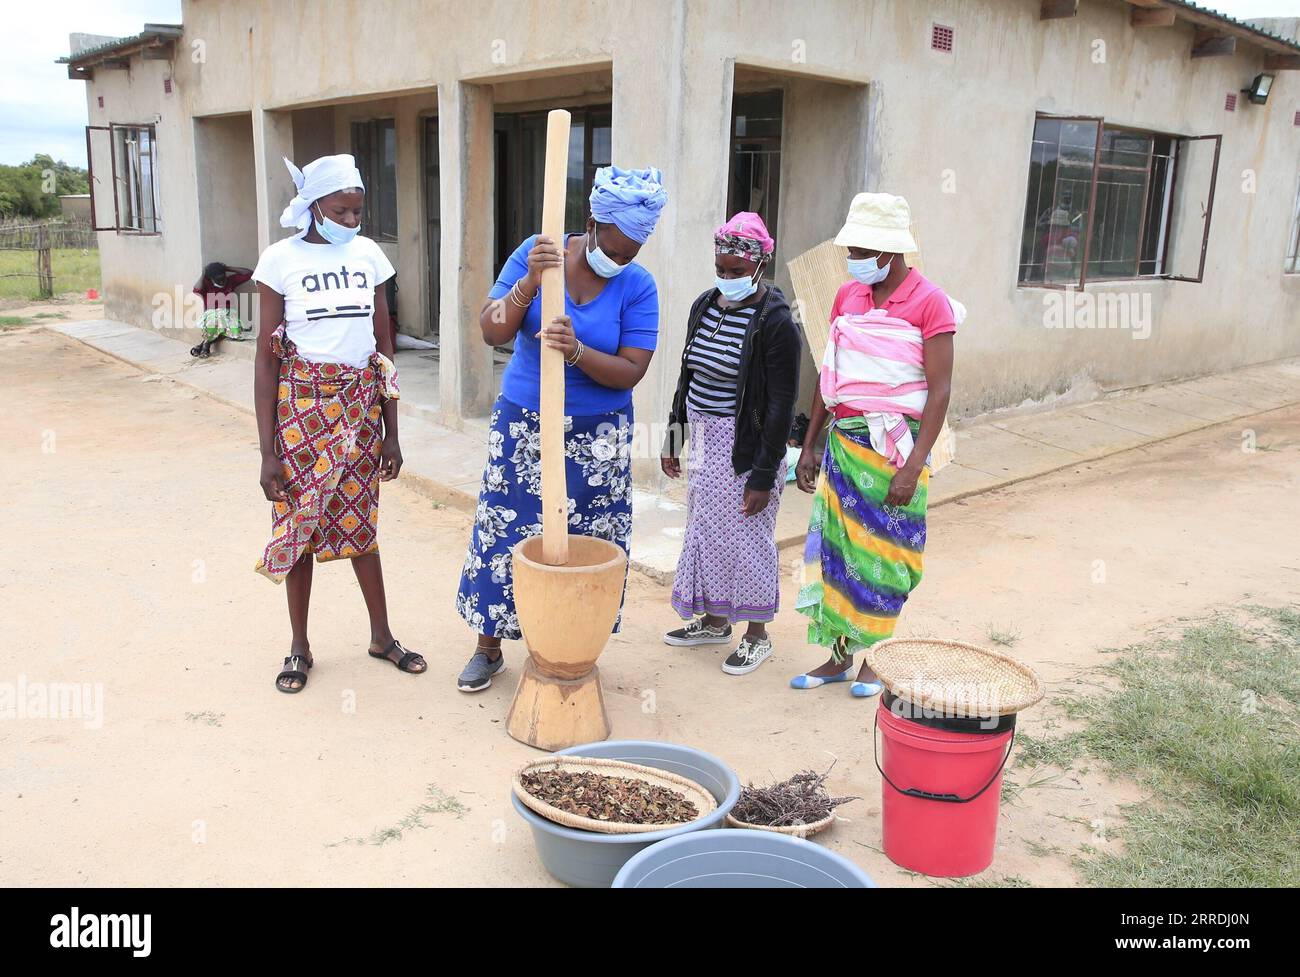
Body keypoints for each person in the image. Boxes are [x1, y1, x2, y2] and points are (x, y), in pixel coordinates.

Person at [455, 166, 667, 692]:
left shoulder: (638, 287)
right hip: (526, 422)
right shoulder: (539, 252)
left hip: (599, 436)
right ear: (593, 222)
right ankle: (489, 647)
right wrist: (529, 282)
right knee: (507, 531)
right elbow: (491, 328)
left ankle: (570, 643)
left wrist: (576, 352)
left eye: (631, 253)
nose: (620, 261)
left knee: (587, 542)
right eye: (615, 248)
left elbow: (632, 369)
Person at [252, 154, 425, 693]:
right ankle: (300, 646)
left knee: (361, 528)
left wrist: (392, 431)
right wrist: (267, 451)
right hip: (302, 414)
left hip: (361, 411)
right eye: (343, 211)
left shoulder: (369, 256)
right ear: (314, 207)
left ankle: (382, 636)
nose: (353, 222)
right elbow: (266, 357)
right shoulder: (279, 260)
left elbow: (384, 345)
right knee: (300, 525)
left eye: (358, 212)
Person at [791, 192, 956, 697]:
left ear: (889, 251)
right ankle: (839, 658)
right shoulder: (848, 298)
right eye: (851, 251)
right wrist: (810, 443)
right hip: (844, 445)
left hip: (895, 449)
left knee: (885, 554)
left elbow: (940, 390)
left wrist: (913, 466)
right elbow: (831, 375)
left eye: (861, 250)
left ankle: (875, 661)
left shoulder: (930, 302)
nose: (852, 260)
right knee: (840, 552)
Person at [660, 212, 800, 675]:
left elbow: (780, 405)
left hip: (745, 445)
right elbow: (688, 373)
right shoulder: (705, 305)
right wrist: (673, 435)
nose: (727, 279)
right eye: (721, 270)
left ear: (759, 265)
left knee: (748, 535)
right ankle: (715, 620)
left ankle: (756, 635)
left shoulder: (776, 321)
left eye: (736, 273)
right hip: (701, 436)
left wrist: (763, 474)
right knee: (704, 528)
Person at [191, 261, 253, 357]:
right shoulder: (206, 285)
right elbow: (196, 289)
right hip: (212, 314)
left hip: (228, 314)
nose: (222, 281)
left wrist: (227, 268)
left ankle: (203, 344)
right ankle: (206, 346)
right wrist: (203, 274)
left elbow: (249, 273)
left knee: (235, 334)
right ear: (211, 278)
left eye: (223, 277)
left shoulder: (230, 281)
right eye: (218, 279)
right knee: (216, 322)